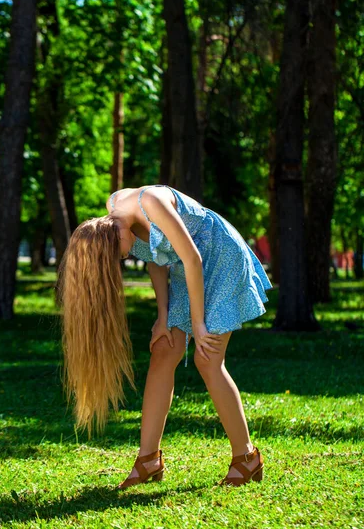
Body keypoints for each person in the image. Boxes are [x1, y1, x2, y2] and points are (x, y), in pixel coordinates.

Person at [57, 184, 273, 489]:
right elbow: (157, 260)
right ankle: (148, 460)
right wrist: (163, 316)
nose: (124, 256)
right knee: (163, 349)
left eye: (119, 254)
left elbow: (193, 258)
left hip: (219, 258)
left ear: (116, 235)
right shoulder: (115, 212)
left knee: (207, 359)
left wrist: (198, 324)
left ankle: (246, 458)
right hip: (186, 269)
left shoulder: (152, 203)